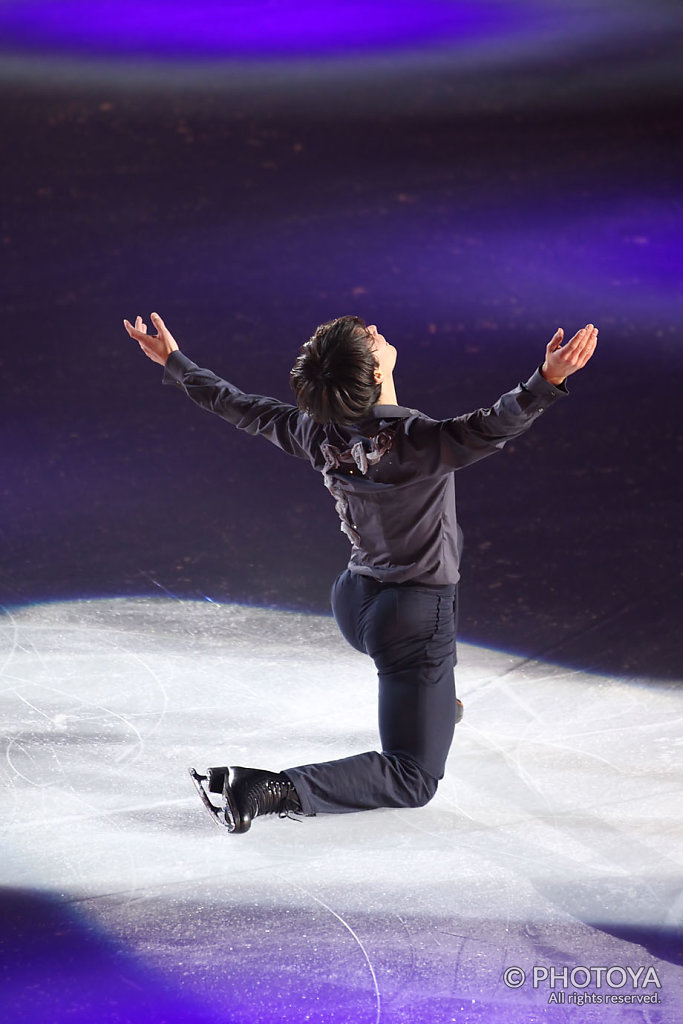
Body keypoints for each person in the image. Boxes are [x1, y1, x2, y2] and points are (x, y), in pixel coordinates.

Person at [123, 312, 598, 833]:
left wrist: (175, 361)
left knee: (432, 668)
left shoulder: (313, 431)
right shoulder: (420, 442)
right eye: (371, 338)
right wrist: (548, 379)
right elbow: (495, 422)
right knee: (414, 775)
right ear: (374, 373)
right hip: (412, 621)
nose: (377, 331)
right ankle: (267, 789)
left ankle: (436, 706)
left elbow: (241, 407)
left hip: (356, 601)